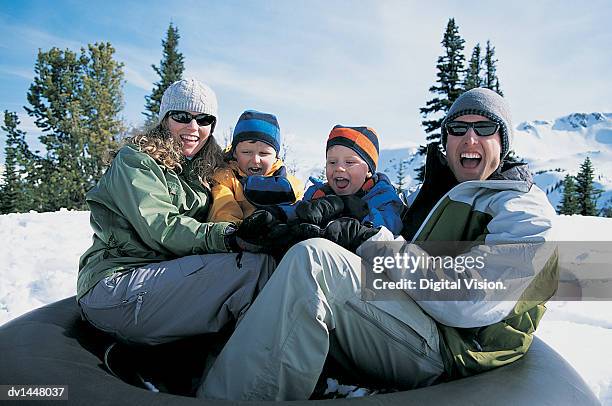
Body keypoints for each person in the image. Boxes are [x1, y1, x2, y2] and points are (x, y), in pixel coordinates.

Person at [198, 88, 559, 400]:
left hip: (456, 347)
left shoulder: (523, 207)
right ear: (445, 139)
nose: (469, 140)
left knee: (316, 262)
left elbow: (470, 301)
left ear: (504, 141)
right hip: (421, 317)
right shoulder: (445, 193)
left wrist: (368, 239)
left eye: (485, 129)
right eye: (457, 129)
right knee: (301, 253)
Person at [77, 78, 274, 347]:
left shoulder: (207, 168)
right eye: (182, 116)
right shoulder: (137, 161)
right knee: (252, 271)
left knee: (265, 263)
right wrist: (230, 236)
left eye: (204, 119)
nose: (193, 127)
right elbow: (162, 227)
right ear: (164, 119)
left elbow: (247, 182)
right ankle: (240, 384)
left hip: (164, 276)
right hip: (119, 281)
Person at [207, 110, 304, 223]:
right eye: (246, 152)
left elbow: (298, 212)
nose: (255, 160)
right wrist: (240, 232)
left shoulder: (290, 184)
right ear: (234, 153)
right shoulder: (226, 179)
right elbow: (223, 212)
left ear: (276, 156)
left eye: (264, 154)